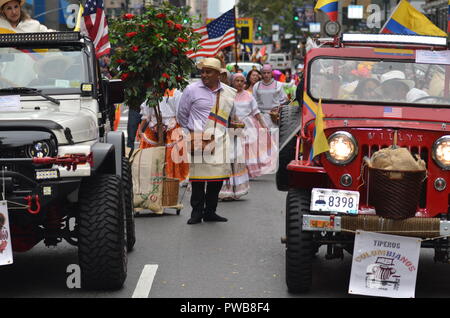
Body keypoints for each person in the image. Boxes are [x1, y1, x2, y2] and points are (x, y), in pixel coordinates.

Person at [177, 57, 236, 225]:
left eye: (208, 72)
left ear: (218, 74)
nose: (204, 75)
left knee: (217, 178)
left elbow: (231, 114)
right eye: (202, 71)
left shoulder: (228, 92)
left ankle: (210, 211)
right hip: (199, 138)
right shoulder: (191, 90)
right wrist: (193, 133)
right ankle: (196, 213)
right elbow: (182, 114)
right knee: (198, 179)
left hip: (220, 139)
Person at [139, 88, 189, 182]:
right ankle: (163, 182)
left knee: (164, 156)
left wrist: (141, 130)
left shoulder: (174, 93)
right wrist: (140, 129)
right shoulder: (174, 93)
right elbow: (146, 114)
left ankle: (166, 183)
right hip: (159, 127)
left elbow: (146, 115)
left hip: (168, 126)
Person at [252, 64, 287, 129]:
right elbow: (253, 102)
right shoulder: (257, 85)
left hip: (274, 117)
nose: (266, 75)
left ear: (271, 73)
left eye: (268, 73)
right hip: (261, 116)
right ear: (261, 74)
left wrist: (278, 111)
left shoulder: (278, 85)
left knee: (274, 137)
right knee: (262, 137)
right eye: (264, 73)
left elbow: (284, 101)